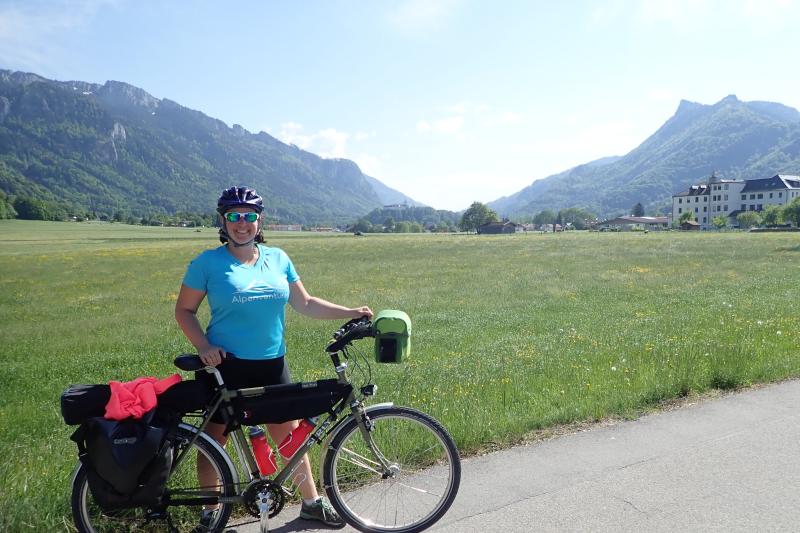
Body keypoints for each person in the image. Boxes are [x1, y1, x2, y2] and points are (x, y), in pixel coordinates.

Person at [175, 186, 372, 528]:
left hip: (272, 364)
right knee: (213, 443)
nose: (242, 223)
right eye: (234, 216)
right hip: (224, 366)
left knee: (290, 439)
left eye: (249, 216)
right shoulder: (207, 263)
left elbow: (305, 303)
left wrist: (350, 311)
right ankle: (211, 514)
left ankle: (311, 503)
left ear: (259, 221)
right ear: (223, 221)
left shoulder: (278, 258)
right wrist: (204, 347)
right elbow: (184, 311)